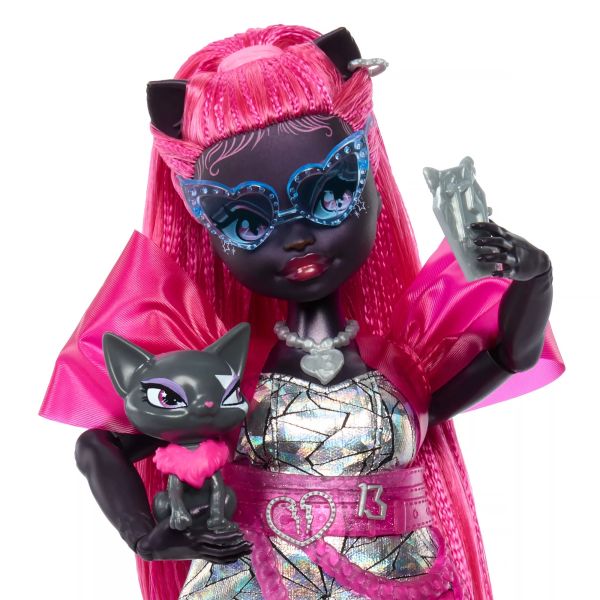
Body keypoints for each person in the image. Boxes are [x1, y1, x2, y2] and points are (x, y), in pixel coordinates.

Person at [40, 25, 564, 600]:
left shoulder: (401, 366)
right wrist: (144, 536)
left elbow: (511, 356)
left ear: (372, 186)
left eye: (331, 195)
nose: (297, 238)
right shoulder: (227, 376)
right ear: (208, 234)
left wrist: (535, 277)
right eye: (247, 222)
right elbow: (101, 444)